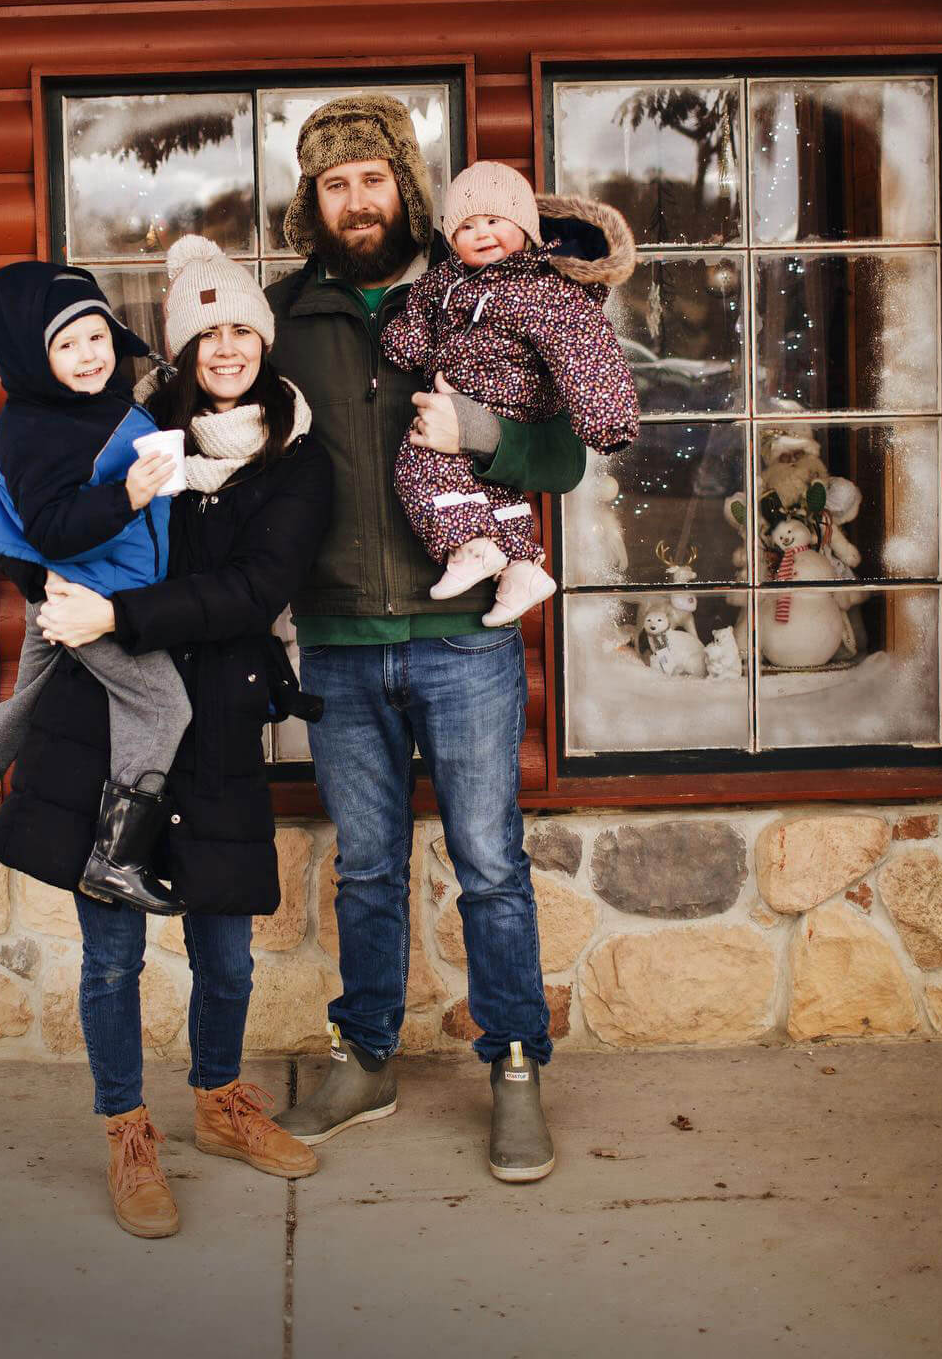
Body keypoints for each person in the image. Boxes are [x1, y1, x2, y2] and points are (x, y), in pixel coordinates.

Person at [264, 94, 634, 1183]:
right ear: (314, 200)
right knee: (368, 868)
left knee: (489, 865)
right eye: (335, 183)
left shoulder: (487, 288)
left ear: (406, 187)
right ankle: (366, 1059)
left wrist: (478, 430)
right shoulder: (283, 317)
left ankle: (514, 1065)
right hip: (338, 635)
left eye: (372, 178)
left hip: (465, 635)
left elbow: (564, 457)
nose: (356, 199)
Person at [0, 235, 335, 1239]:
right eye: (206, 334)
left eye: (241, 331)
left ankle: (220, 1102)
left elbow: (255, 589)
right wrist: (51, 591)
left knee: (227, 951)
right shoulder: (133, 427)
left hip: (216, 715)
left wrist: (118, 613)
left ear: (263, 342)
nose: (225, 348)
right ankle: (127, 1132)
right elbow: (42, 524)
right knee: (112, 956)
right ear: (180, 348)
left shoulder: (296, 458)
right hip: (106, 717)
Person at [0, 261, 190, 914]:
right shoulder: (39, 427)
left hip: (67, 590)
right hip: (88, 597)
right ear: (34, 356)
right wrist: (128, 496)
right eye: (67, 344)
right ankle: (116, 860)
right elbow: (52, 528)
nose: (90, 355)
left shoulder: (84, 405)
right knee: (164, 707)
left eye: (97, 336)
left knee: (26, 704)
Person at [382, 161, 639, 623]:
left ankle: (469, 546)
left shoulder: (544, 288)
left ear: (525, 226)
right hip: (467, 395)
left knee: (420, 462)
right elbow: (419, 309)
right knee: (493, 490)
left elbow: (584, 348)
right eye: (466, 226)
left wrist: (608, 418)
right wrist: (405, 342)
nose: (481, 233)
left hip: (510, 401)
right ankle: (522, 569)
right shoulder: (446, 279)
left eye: (494, 220)